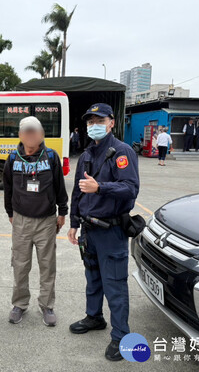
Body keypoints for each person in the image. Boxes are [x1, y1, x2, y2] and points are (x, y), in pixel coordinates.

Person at [67, 103, 140, 361]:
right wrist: (74, 222)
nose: (93, 125)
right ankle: (94, 317)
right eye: (89, 121)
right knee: (93, 278)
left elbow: (130, 189)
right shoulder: (87, 154)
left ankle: (121, 336)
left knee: (115, 284)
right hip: (88, 229)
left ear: (111, 122)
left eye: (99, 120)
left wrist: (100, 188)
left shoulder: (122, 152)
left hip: (110, 231)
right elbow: (77, 191)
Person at [3, 116, 68, 327]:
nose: (31, 135)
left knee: (47, 265)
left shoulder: (50, 156)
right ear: (20, 135)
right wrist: (10, 213)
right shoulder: (13, 158)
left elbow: (59, 187)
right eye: (27, 131)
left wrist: (62, 212)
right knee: (20, 265)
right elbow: (8, 188)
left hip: (47, 220)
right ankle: (19, 304)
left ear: (41, 135)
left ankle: (47, 305)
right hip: (21, 220)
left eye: (35, 131)